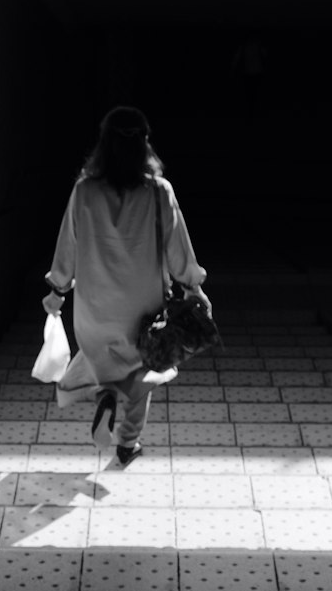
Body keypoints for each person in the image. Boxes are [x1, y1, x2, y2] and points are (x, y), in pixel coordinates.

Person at [43, 106, 210, 466]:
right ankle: (127, 444)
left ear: (103, 144)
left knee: (103, 361)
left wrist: (57, 289)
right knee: (142, 372)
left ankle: (104, 397)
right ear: (144, 144)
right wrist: (193, 287)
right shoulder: (158, 191)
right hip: (142, 309)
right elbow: (177, 247)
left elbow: (67, 245)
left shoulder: (84, 191)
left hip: (93, 308)